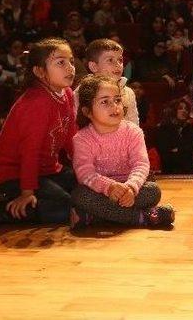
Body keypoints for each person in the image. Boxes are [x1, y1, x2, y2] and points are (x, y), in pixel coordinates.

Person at [0, 38, 77, 235]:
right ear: (39, 71)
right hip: (15, 173)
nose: (70, 67)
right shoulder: (36, 102)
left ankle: (7, 197)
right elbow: (30, 151)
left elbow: (71, 136)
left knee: (85, 190)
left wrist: (84, 167)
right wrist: (27, 192)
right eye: (61, 62)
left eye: (71, 61)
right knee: (63, 208)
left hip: (46, 170)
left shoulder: (66, 93)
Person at [70, 74, 175, 229]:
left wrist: (131, 188)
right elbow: (85, 174)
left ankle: (93, 217)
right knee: (80, 195)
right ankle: (143, 217)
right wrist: (109, 187)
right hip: (101, 191)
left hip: (130, 188)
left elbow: (141, 165)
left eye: (117, 100)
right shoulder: (81, 138)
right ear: (87, 111)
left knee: (153, 191)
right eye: (105, 102)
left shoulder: (133, 131)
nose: (115, 106)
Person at [74, 39, 139, 125]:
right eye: (110, 60)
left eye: (120, 60)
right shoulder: (81, 92)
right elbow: (74, 124)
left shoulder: (128, 93)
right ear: (93, 66)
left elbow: (134, 124)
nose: (117, 65)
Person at [156, 98, 193, 174]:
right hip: (170, 170)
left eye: (186, 109)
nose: (184, 111)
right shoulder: (164, 129)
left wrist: (178, 150)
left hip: (189, 170)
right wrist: (184, 150)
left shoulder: (192, 129)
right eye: (180, 108)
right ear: (173, 111)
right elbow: (165, 152)